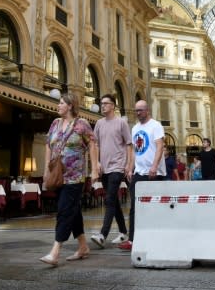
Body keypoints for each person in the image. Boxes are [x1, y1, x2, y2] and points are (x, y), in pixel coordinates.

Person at [39, 93, 99, 266]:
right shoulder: (55, 124)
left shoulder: (82, 124)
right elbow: (48, 145)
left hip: (75, 177)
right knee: (73, 211)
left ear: (70, 105)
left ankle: (55, 251)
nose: (58, 106)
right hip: (58, 176)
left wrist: (94, 169)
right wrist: (45, 171)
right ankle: (83, 247)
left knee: (64, 211)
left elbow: (93, 145)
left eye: (61, 103)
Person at [118, 100, 165, 251]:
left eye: (140, 110)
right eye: (136, 110)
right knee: (134, 207)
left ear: (147, 110)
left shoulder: (156, 126)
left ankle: (155, 237)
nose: (137, 113)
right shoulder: (135, 128)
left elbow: (159, 146)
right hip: (139, 172)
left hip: (153, 173)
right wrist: (130, 168)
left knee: (154, 206)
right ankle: (132, 240)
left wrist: (154, 166)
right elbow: (134, 151)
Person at [89, 94, 133, 249]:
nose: (103, 106)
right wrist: (97, 163)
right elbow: (96, 145)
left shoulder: (121, 123)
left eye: (106, 103)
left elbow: (129, 145)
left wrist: (128, 165)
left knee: (109, 200)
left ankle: (103, 235)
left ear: (113, 106)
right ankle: (122, 232)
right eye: (101, 104)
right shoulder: (99, 123)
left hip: (117, 167)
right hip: (105, 168)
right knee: (113, 200)